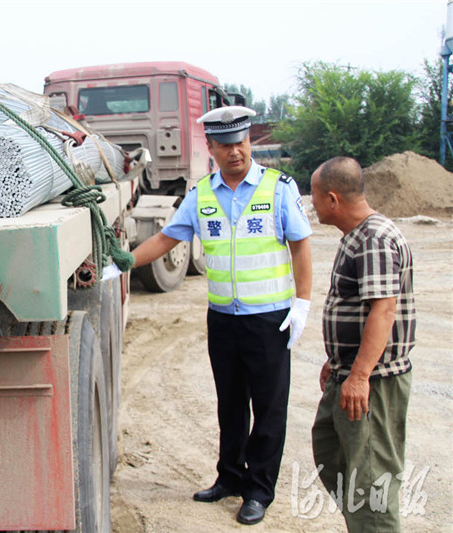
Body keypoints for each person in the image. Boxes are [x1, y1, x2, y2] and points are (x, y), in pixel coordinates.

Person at [108, 105, 313, 525]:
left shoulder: (278, 189)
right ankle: (230, 478)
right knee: (230, 404)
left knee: (269, 407)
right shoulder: (201, 195)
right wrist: (123, 263)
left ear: (249, 142)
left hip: (269, 318)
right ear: (211, 148)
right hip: (223, 319)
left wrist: (303, 303)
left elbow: (300, 245)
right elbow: (167, 238)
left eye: (242, 143)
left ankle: (258, 490)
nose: (236, 152)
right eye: (226, 146)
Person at [309, 156, 416, 532]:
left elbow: (383, 312)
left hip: (374, 382)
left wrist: (358, 376)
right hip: (351, 371)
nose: (313, 204)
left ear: (333, 199)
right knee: (331, 449)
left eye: (315, 196)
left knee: (372, 481)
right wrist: (339, 361)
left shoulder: (374, 239)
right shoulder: (358, 236)